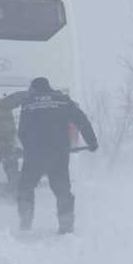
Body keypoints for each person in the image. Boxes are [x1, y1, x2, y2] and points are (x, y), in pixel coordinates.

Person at [16, 77, 98, 234]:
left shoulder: (28, 103)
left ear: (34, 88)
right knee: (62, 191)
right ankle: (66, 227)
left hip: (35, 156)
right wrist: (92, 141)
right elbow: (82, 121)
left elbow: (22, 132)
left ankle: (25, 224)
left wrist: (29, 148)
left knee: (25, 189)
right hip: (58, 155)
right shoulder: (63, 100)